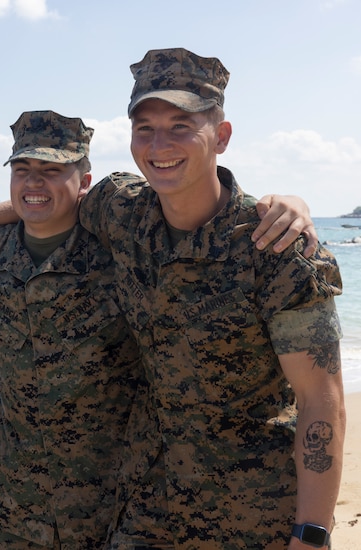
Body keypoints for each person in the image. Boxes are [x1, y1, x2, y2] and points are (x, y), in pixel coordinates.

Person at [77, 47, 343, 549]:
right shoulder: (120, 211)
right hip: (147, 505)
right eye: (145, 128)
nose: (160, 144)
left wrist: (311, 533)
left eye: (181, 125)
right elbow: (48, 203)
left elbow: (320, 400)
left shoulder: (276, 249)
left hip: (251, 515)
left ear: (220, 136)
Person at [0, 109, 145, 548]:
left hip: (112, 508)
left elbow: (198, 212)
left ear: (84, 182)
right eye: (22, 169)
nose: (34, 182)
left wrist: (282, 206)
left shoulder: (120, 246)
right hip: (16, 506)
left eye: (52, 171)